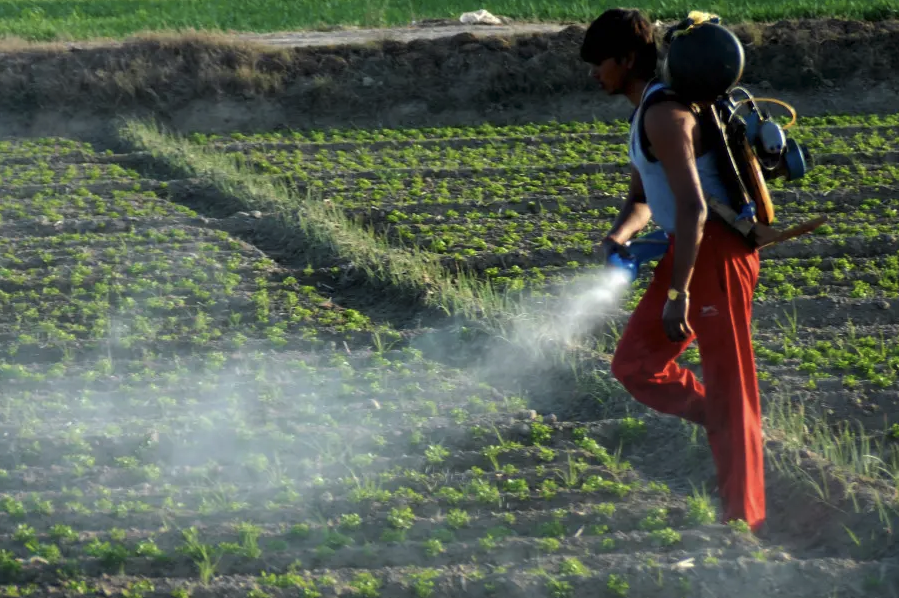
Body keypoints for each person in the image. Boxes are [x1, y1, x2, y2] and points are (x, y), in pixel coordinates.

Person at [581, 8, 766, 534]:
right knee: (635, 364)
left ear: (627, 59)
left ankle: (744, 523)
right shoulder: (646, 113)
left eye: (601, 63)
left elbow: (692, 208)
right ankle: (727, 421)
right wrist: (620, 235)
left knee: (732, 385)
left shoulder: (665, 115)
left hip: (715, 254)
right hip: (686, 252)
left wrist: (678, 291)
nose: (595, 72)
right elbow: (644, 197)